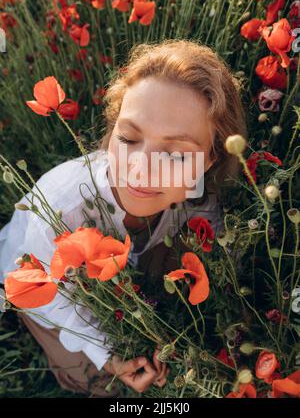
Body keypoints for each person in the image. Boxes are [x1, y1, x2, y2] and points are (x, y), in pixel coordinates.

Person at [0, 39, 247, 397]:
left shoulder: (199, 197)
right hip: (43, 287)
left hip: (131, 261)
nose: (140, 168)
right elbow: (52, 299)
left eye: (176, 155)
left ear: (209, 160)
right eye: (129, 138)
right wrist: (107, 356)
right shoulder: (62, 207)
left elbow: (223, 262)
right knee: (102, 384)